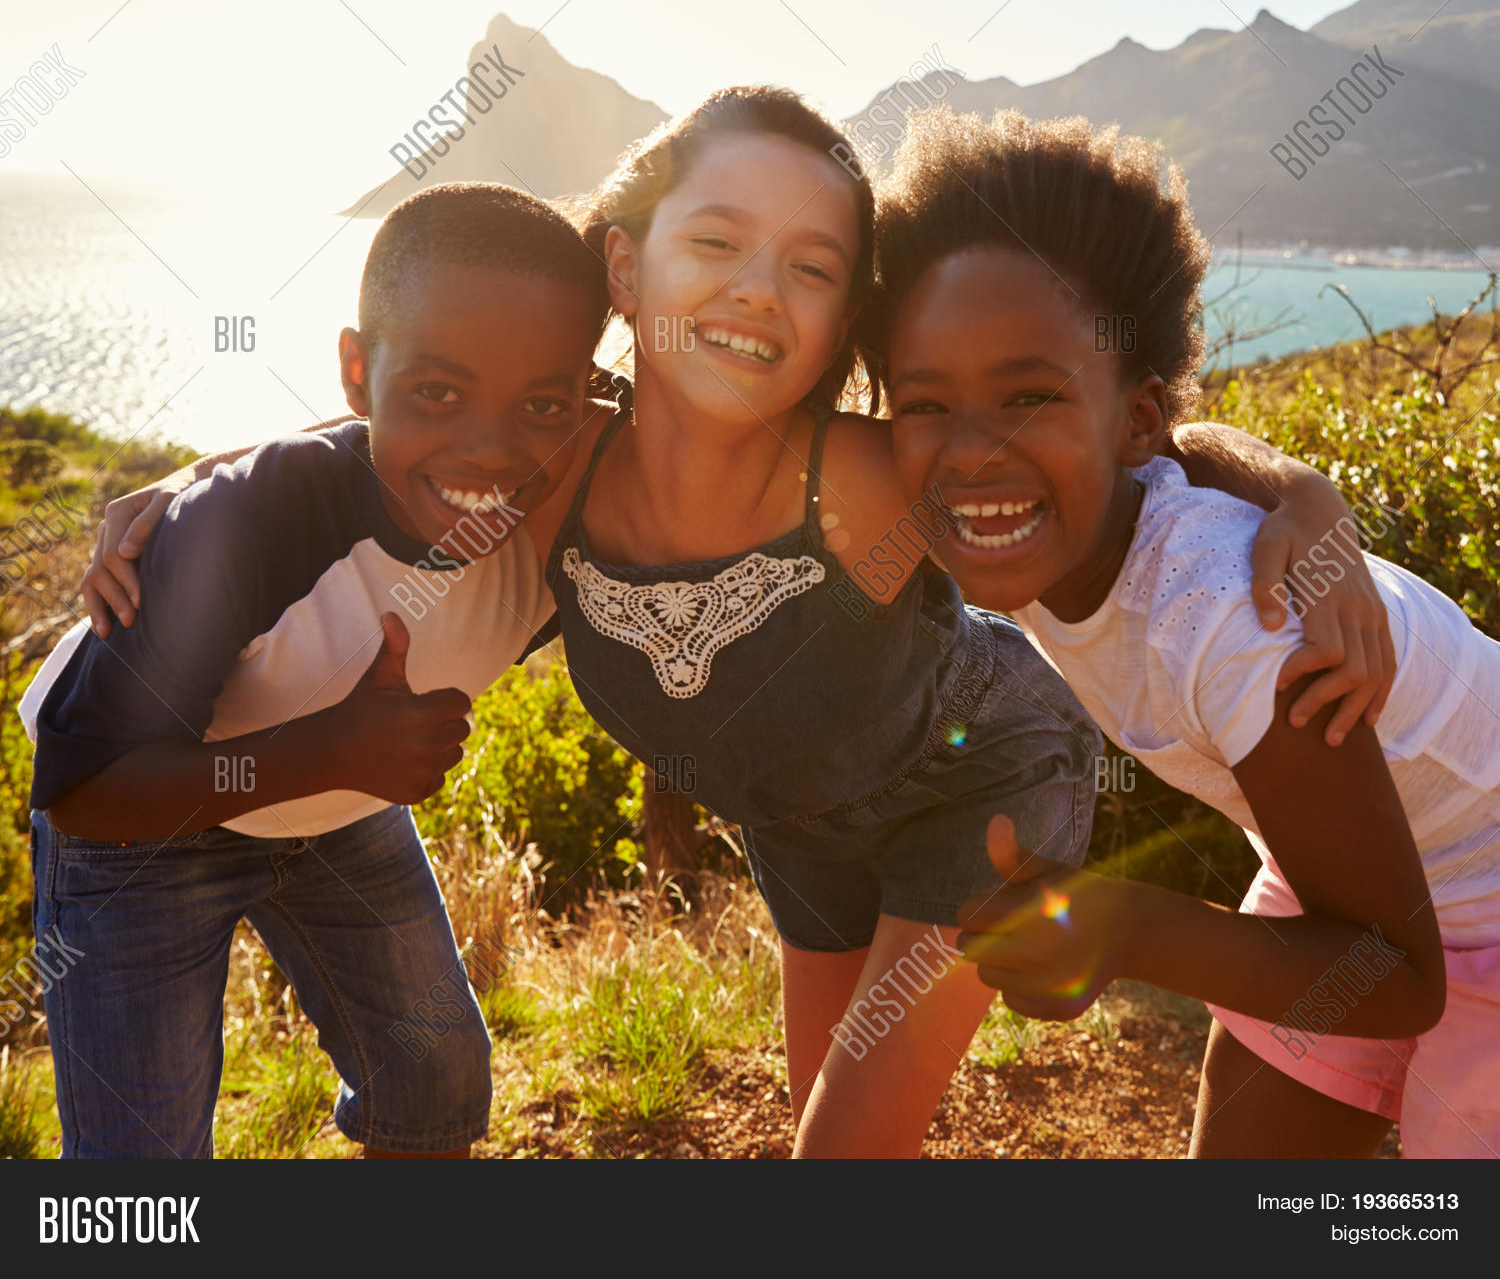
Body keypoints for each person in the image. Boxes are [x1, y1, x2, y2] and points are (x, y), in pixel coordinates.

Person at [90, 88, 1394, 1159]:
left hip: (975, 786)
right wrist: (197, 490)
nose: (758, 290)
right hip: (799, 828)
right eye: (714, 243)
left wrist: (1303, 494)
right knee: (825, 1130)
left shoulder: (870, 479)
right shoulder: (555, 478)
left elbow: (1116, 453)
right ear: (626, 261)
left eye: (813, 267)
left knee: (838, 1161)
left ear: (843, 320)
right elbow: (409, 431)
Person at [877, 105, 1500, 1158]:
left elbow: (1398, 980)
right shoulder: (1039, 518)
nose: (971, 452)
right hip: (1344, 881)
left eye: (1028, 395)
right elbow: (1192, 446)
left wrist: (1121, 926)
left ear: (1132, 419)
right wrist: (1304, 489)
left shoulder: (1232, 626)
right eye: (925, 404)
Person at [21, 182, 611, 1158]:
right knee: (141, 1174)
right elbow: (87, 793)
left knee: (435, 1081)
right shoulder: (242, 531)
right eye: (438, 392)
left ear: (586, 401)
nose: (491, 450)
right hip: (142, 825)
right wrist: (331, 750)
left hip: (336, 799)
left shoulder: (567, 530)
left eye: (543, 404)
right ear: (354, 373)